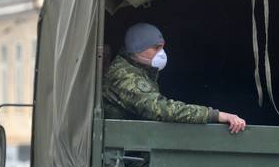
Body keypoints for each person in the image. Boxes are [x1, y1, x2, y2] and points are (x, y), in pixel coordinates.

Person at [103, 23, 247, 133]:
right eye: (156, 47)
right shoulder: (124, 76)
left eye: (162, 47)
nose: (161, 52)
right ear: (137, 49)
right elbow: (160, 108)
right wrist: (215, 115)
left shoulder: (139, 69)